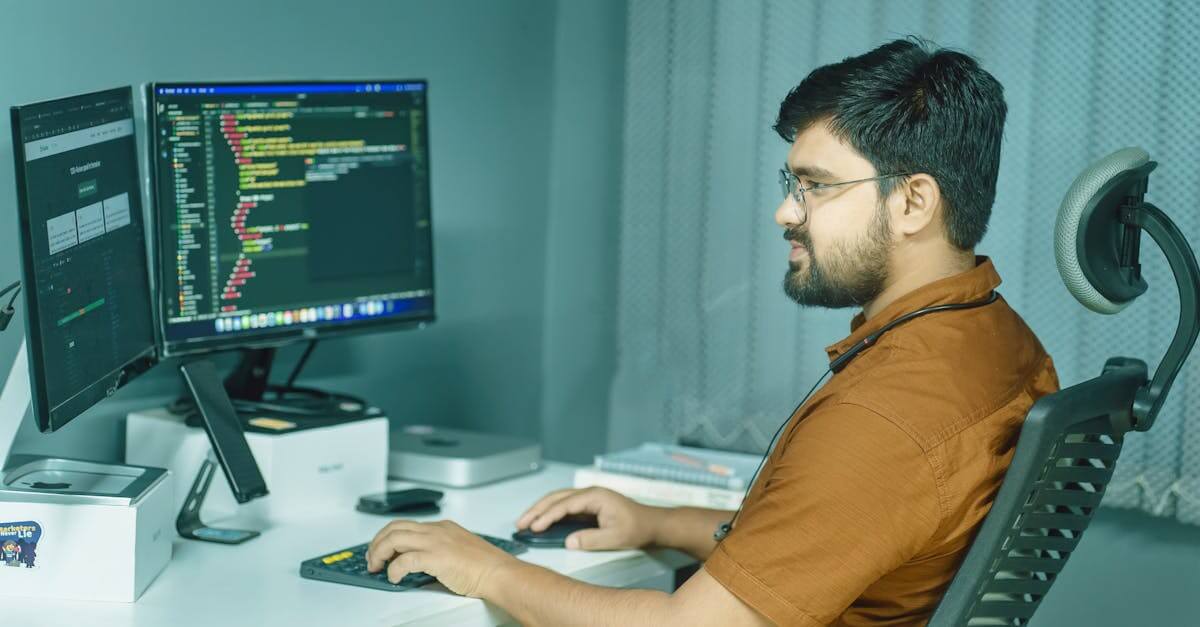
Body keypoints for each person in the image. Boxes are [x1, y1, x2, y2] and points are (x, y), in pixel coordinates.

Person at [366, 37, 1058, 626]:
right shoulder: (998, 342)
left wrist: (485, 568)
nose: (784, 212)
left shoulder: (888, 416)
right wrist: (660, 521)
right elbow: (842, 531)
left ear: (912, 201)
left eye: (814, 185)